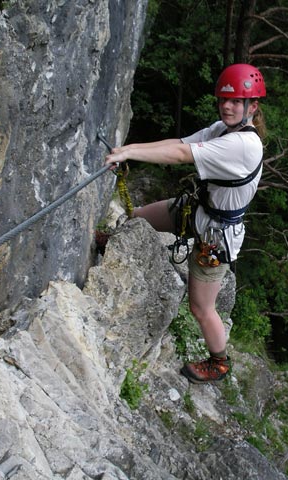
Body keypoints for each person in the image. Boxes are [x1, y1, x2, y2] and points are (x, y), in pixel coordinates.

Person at [105, 64, 266, 383]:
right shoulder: (222, 129)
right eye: (223, 100)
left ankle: (219, 363)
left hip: (217, 236)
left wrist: (129, 153)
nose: (227, 107)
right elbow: (180, 141)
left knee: (200, 307)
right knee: (136, 218)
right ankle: (107, 241)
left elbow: (181, 154)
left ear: (253, 106)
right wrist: (126, 151)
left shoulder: (244, 144)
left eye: (235, 102)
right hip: (198, 210)